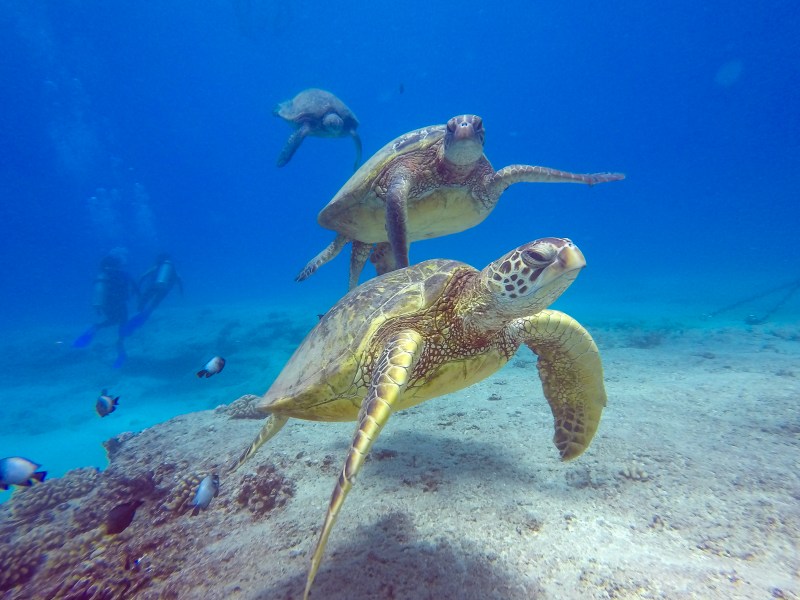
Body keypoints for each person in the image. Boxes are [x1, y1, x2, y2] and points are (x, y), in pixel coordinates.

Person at [72, 253, 138, 368]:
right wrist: (138, 295)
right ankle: (121, 353)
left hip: (107, 304)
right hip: (120, 303)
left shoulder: (103, 275)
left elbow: (99, 291)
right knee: (122, 324)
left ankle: (96, 327)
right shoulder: (122, 274)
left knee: (114, 321)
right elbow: (134, 286)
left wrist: (98, 306)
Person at [122, 253, 183, 335]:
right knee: (153, 304)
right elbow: (179, 279)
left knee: (143, 301)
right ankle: (143, 318)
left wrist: (137, 288)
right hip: (165, 289)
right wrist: (181, 292)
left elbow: (143, 276)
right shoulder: (172, 268)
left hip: (153, 286)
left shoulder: (158, 266)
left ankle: (138, 314)